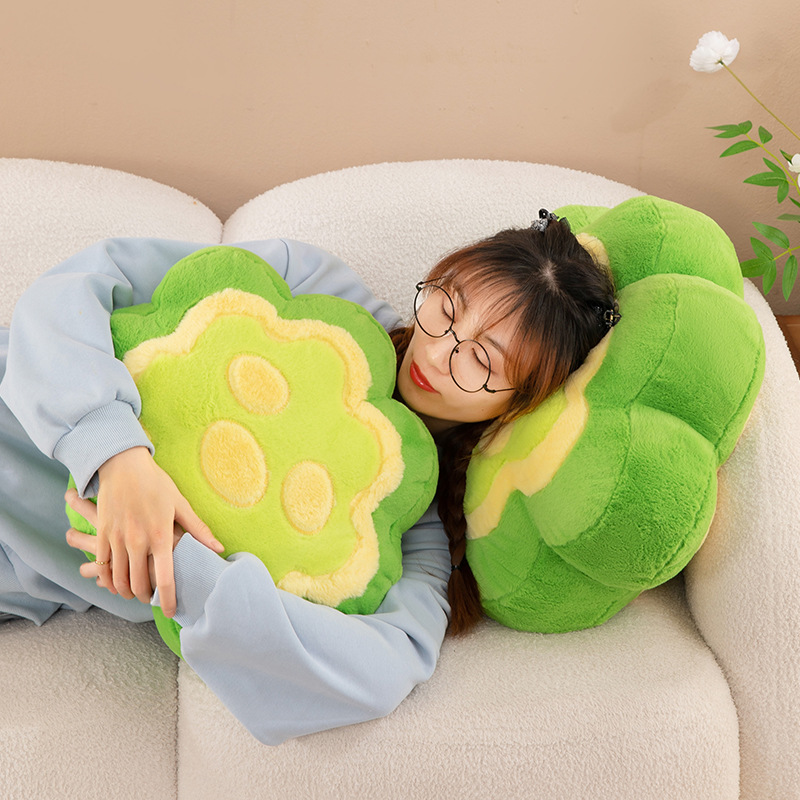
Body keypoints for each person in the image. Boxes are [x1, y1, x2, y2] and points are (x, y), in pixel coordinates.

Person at [0, 210, 617, 743]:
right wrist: (116, 455)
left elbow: (377, 673)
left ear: (518, 406)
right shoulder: (316, 291)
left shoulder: (410, 530)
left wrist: (182, 566)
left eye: (481, 360)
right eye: (447, 307)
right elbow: (82, 284)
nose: (436, 352)